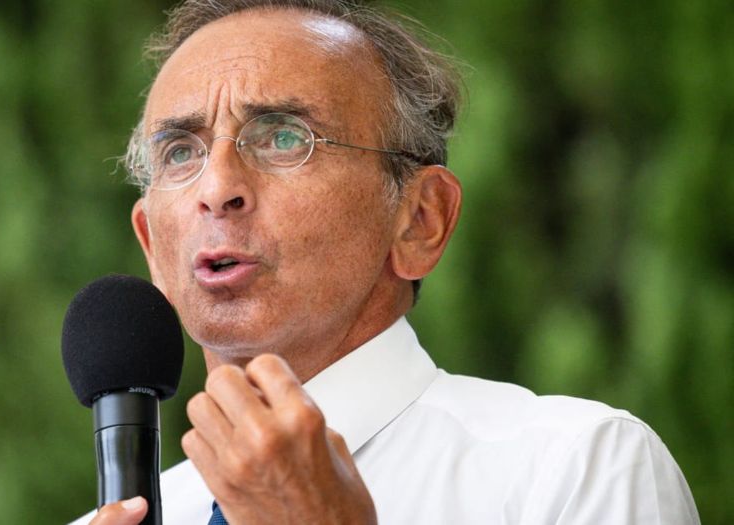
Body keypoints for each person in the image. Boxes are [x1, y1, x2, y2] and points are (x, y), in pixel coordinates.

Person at [74, 1, 700, 523]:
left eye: (284, 137)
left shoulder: (577, 469)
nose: (217, 189)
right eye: (181, 152)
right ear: (153, 246)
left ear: (421, 219)